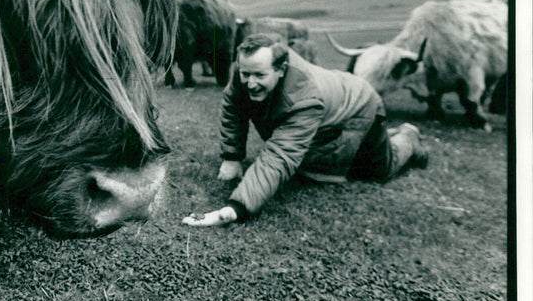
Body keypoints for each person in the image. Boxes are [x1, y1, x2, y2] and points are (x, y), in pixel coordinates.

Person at [182, 33, 429, 227]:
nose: (250, 83)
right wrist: (232, 157)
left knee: (378, 170)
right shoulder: (244, 72)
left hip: (361, 106)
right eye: (245, 74)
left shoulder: (305, 99)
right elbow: (233, 109)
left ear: (280, 70)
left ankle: (408, 137)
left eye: (259, 75)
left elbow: (280, 153)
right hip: (331, 106)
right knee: (312, 164)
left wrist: (234, 209)